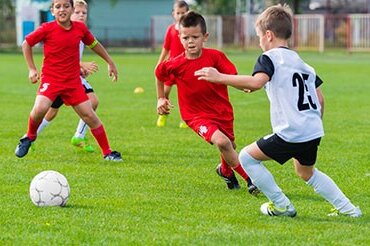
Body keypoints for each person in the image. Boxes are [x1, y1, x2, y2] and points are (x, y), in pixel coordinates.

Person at [195, 4, 362, 217]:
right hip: (312, 130)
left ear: (268, 35)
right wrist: (310, 124)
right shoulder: (303, 64)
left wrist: (219, 77)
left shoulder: (269, 58)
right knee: (306, 172)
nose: (259, 42)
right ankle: (349, 210)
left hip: (292, 131)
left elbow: (257, 82)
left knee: (246, 157)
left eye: (258, 37)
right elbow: (320, 100)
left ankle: (282, 206)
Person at [155, 11, 259, 196]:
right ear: (180, 38)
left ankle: (225, 171)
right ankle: (251, 180)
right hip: (195, 116)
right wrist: (161, 98)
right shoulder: (175, 64)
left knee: (230, 147)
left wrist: (243, 86)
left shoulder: (216, 57)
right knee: (222, 142)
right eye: (186, 37)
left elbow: (231, 77)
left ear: (205, 37)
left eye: (195, 37)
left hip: (222, 111)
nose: (190, 41)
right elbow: (159, 74)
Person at [15, 0, 122, 161]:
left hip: (72, 83)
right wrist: (32, 69)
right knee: (40, 109)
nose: (62, 9)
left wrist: (110, 61)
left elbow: (94, 44)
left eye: (66, 6)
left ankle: (108, 153)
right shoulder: (47, 28)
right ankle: (29, 137)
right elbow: (26, 44)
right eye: (58, 7)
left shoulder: (80, 29)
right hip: (51, 80)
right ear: (52, 11)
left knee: (90, 116)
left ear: (72, 9)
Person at [37, 0, 98, 153]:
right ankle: (29, 137)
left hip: (73, 78)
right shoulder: (63, 30)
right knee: (51, 112)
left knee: (92, 102)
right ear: (71, 12)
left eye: (84, 13)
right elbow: (62, 58)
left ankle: (79, 135)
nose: (81, 15)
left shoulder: (80, 31)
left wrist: (80, 68)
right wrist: (80, 65)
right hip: (60, 78)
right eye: (77, 12)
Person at [156, 0, 189, 128]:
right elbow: (166, 48)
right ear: (173, 14)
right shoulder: (170, 30)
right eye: (178, 13)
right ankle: (163, 114)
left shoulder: (188, 31)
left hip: (185, 67)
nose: (180, 15)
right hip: (172, 67)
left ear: (188, 13)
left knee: (185, 95)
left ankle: (185, 119)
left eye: (183, 13)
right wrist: (159, 63)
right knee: (165, 92)